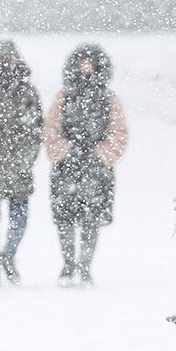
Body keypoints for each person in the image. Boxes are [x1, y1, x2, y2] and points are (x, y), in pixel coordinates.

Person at [44, 43, 128, 285]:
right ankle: (68, 264)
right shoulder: (63, 97)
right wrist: (65, 150)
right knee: (65, 219)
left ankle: (85, 266)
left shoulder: (109, 99)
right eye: (82, 63)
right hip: (66, 169)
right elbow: (51, 129)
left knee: (91, 219)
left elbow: (119, 132)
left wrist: (100, 154)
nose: (86, 68)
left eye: (90, 63)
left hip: (96, 170)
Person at [0, 41, 42, 285]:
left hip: (19, 167)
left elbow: (36, 130)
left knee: (19, 220)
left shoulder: (27, 92)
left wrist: (25, 160)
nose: (5, 65)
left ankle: (8, 255)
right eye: (1, 60)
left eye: (9, 60)